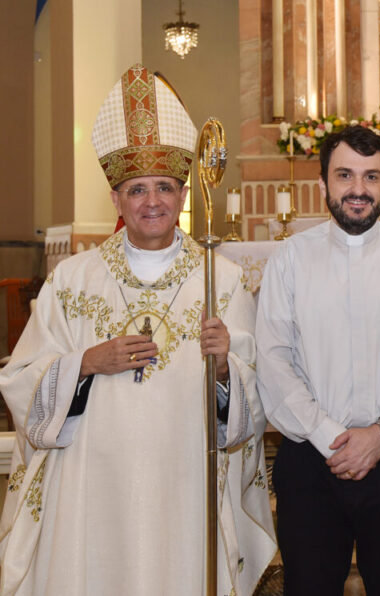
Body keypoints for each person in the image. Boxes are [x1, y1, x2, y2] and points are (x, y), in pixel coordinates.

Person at [0, 64, 276, 595]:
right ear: (117, 199)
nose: (153, 202)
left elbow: (253, 402)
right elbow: (20, 378)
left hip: (184, 482)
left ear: (182, 196)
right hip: (89, 483)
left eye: (165, 188)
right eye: (137, 189)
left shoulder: (224, 280)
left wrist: (224, 367)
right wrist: (84, 363)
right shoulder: (71, 279)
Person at [255, 125, 380, 594]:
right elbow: (274, 360)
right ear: (322, 183)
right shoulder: (289, 259)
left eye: (371, 177)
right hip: (310, 461)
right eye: (345, 175)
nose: (358, 190)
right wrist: (330, 436)